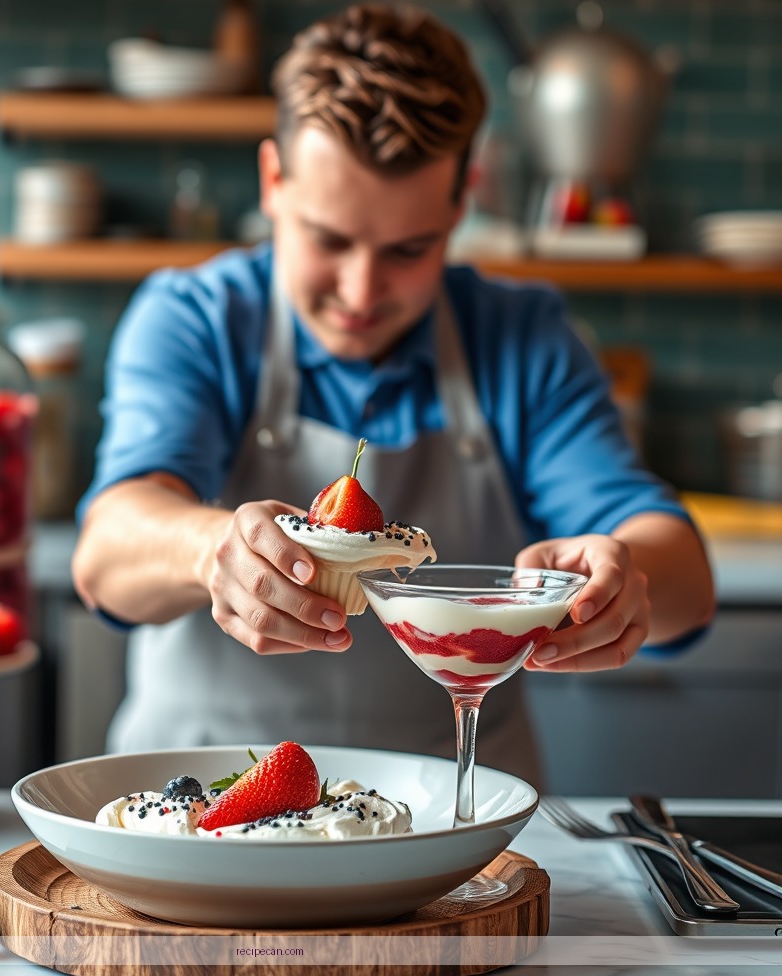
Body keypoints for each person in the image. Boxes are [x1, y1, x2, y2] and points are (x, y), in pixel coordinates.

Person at [72, 3, 714, 786]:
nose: (361, 290)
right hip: (201, 811)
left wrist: (627, 578)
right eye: (329, 239)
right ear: (274, 181)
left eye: (408, 250)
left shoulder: (523, 336)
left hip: (454, 837)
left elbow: (683, 576)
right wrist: (213, 552)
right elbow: (106, 552)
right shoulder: (195, 319)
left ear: (461, 200)